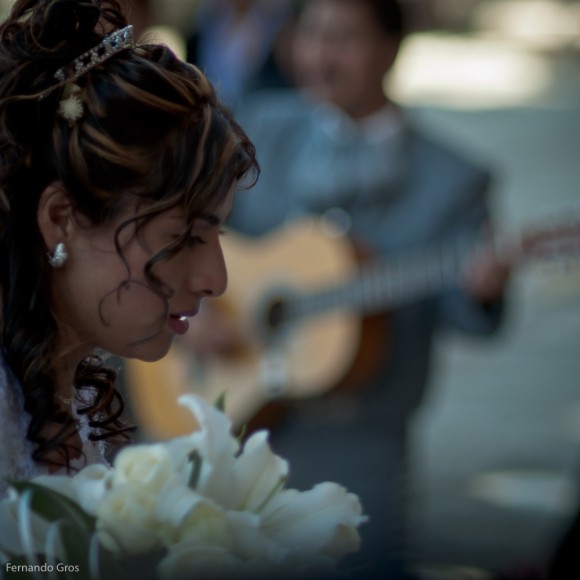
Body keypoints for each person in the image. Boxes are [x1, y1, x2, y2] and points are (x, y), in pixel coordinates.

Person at [187, 0, 510, 577]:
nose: (320, 56)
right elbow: (185, 228)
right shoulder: (256, 127)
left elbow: (469, 320)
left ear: (392, 48)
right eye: (310, 36)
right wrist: (193, 311)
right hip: (240, 413)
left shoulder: (456, 176)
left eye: (343, 39)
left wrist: (483, 289)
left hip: (364, 433)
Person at [0, 0, 257, 498]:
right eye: (184, 238)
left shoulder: (67, 395)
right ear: (60, 219)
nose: (216, 279)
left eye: (217, 234)